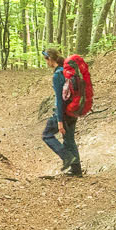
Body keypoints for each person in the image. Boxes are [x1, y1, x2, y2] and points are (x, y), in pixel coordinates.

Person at [41, 47, 84, 178]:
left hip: (64, 113)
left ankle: (67, 157)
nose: (46, 63)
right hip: (74, 110)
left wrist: (59, 120)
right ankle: (76, 170)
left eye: (46, 60)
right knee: (69, 139)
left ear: (50, 59)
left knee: (47, 135)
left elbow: (59, 100)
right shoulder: (67, 72)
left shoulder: (57, 75)